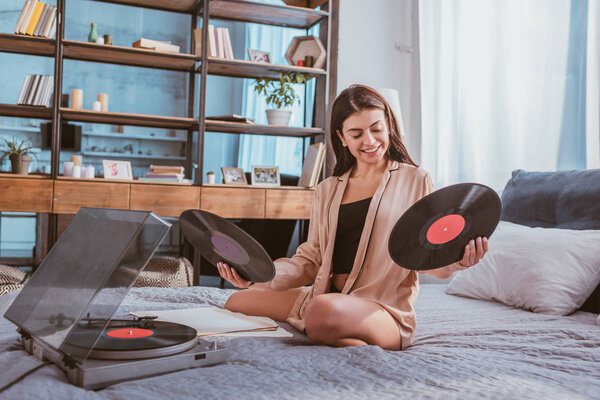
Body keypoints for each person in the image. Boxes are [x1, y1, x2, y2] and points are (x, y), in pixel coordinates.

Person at [219, 84, 489, 351]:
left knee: (321, 311)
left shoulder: (415, 180)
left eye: (376, 129)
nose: (369, 141)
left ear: (389, 127)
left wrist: (457, 263)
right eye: (357, 134)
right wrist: (257, 276)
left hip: (381, 309)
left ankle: (337, 331)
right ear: (342, 137)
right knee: (237, 302)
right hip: (325, 296)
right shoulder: (327, 189)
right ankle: (336, 334)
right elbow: (310, 260)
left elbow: (425, 259)